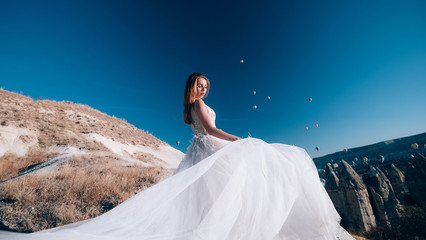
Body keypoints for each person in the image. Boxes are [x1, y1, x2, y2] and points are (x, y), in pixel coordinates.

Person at [0, 73, 354, 240]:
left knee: (214, 198)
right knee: (229, 191)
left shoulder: (193, 105)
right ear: (192, 88)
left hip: (204, 153)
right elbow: (213, 132)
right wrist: (239, 139)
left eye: (207, 86)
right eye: (199, 85)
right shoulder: (198, 106)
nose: (203, 90)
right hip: (211, 150)